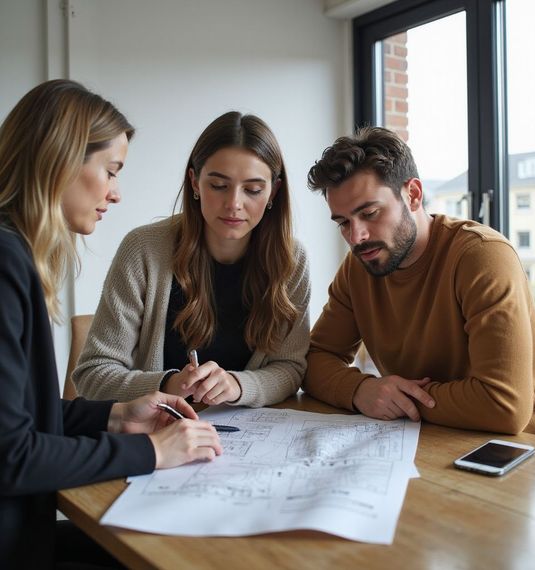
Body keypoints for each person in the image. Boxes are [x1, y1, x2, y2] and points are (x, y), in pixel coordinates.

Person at [0, 80, 222, 570]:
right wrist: (150, 452)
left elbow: (18, 416)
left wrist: (116, 416)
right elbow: (11, 455)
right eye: (110, 171)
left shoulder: (15, 253)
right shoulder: (5, 261)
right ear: (58, 159)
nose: (116, 193)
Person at [304, 126, 535, 439]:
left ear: (413, 195)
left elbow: (504, 406)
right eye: (343, 222)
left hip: (530, 450)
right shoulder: (360, 266)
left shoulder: (482, 256)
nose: (356, 236)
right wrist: (362, 389)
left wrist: (396, 400)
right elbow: (314, 361)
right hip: (427, 438)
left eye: (370, 213)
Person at [73, 111, 310, 407]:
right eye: (219, 186)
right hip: (158, 436)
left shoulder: (291, 260)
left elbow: (291, 368)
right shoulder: (143, 250)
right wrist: (168, 384)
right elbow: (93, 376)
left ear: (273, 191)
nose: (234, 204)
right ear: (195, 182)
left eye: (253, 189)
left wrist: (238, 385)